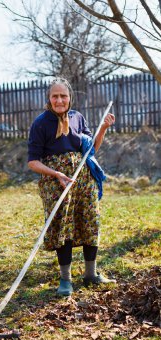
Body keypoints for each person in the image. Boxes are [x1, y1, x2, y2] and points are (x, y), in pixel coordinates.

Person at [27, 77, 116, 296]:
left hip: (83, 180)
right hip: (56, 183)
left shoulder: (78, 117)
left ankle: (90, 274)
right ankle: (65, 280)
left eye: (63, 96)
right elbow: (33, 162)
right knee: (62, 225)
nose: (59, 100)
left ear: (69, 98)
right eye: (55, 96)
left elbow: (90, 148)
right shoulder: (41, 123)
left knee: (90, 221)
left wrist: (103, 128)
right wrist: (56, 173)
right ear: (49, 98)